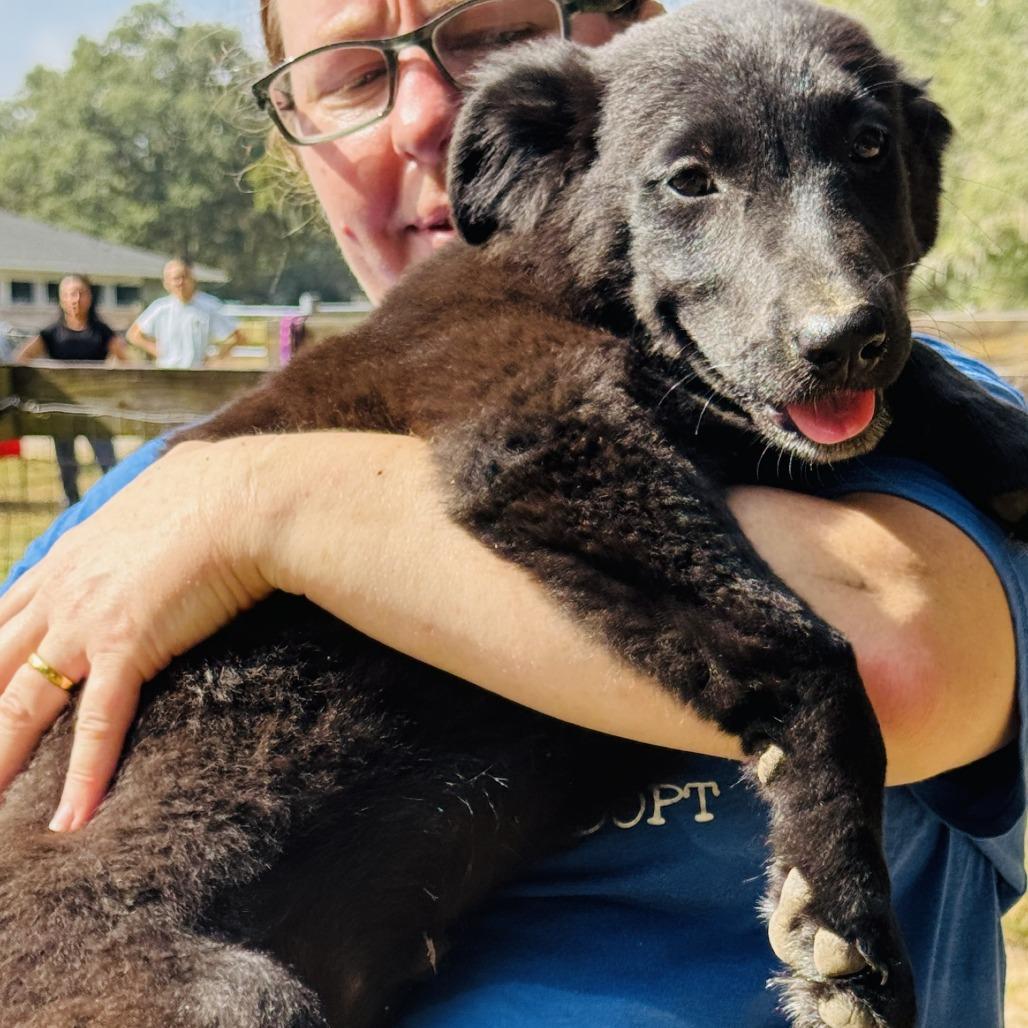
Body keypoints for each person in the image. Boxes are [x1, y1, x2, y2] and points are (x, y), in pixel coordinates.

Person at [0, 1, 1023, 1025]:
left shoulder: (909, 430)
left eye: (490, 28)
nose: (425, 115)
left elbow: (900, 657)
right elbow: (542, 453)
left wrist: (260, 504)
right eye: (353, 75)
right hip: (142, 943)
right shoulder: (123, 531)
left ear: (632, 27)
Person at [14, 274, 129, 506]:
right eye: (68, 294)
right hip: (63, 409)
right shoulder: (50, 333)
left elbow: (127, 362)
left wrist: (110, 383)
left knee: (107, 460)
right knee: (66, 464)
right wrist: (45, 381)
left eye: (80, 293)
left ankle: (113, 504)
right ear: (61, 299)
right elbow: (22, 357)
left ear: (89, 296)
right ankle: (71, 506)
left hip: (97, 410)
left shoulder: (103, 332)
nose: (74, 299)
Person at [126, 258, 242, 368]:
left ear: (192, 279)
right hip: (166, 373)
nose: (180, 283)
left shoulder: (209, 306)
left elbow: (237, 337)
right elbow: (133, 335)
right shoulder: (159, 308)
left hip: (197, 374)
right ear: (166, 283)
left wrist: (216, 357)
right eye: (175, 279)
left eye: (184, 277)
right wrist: (157, 351)